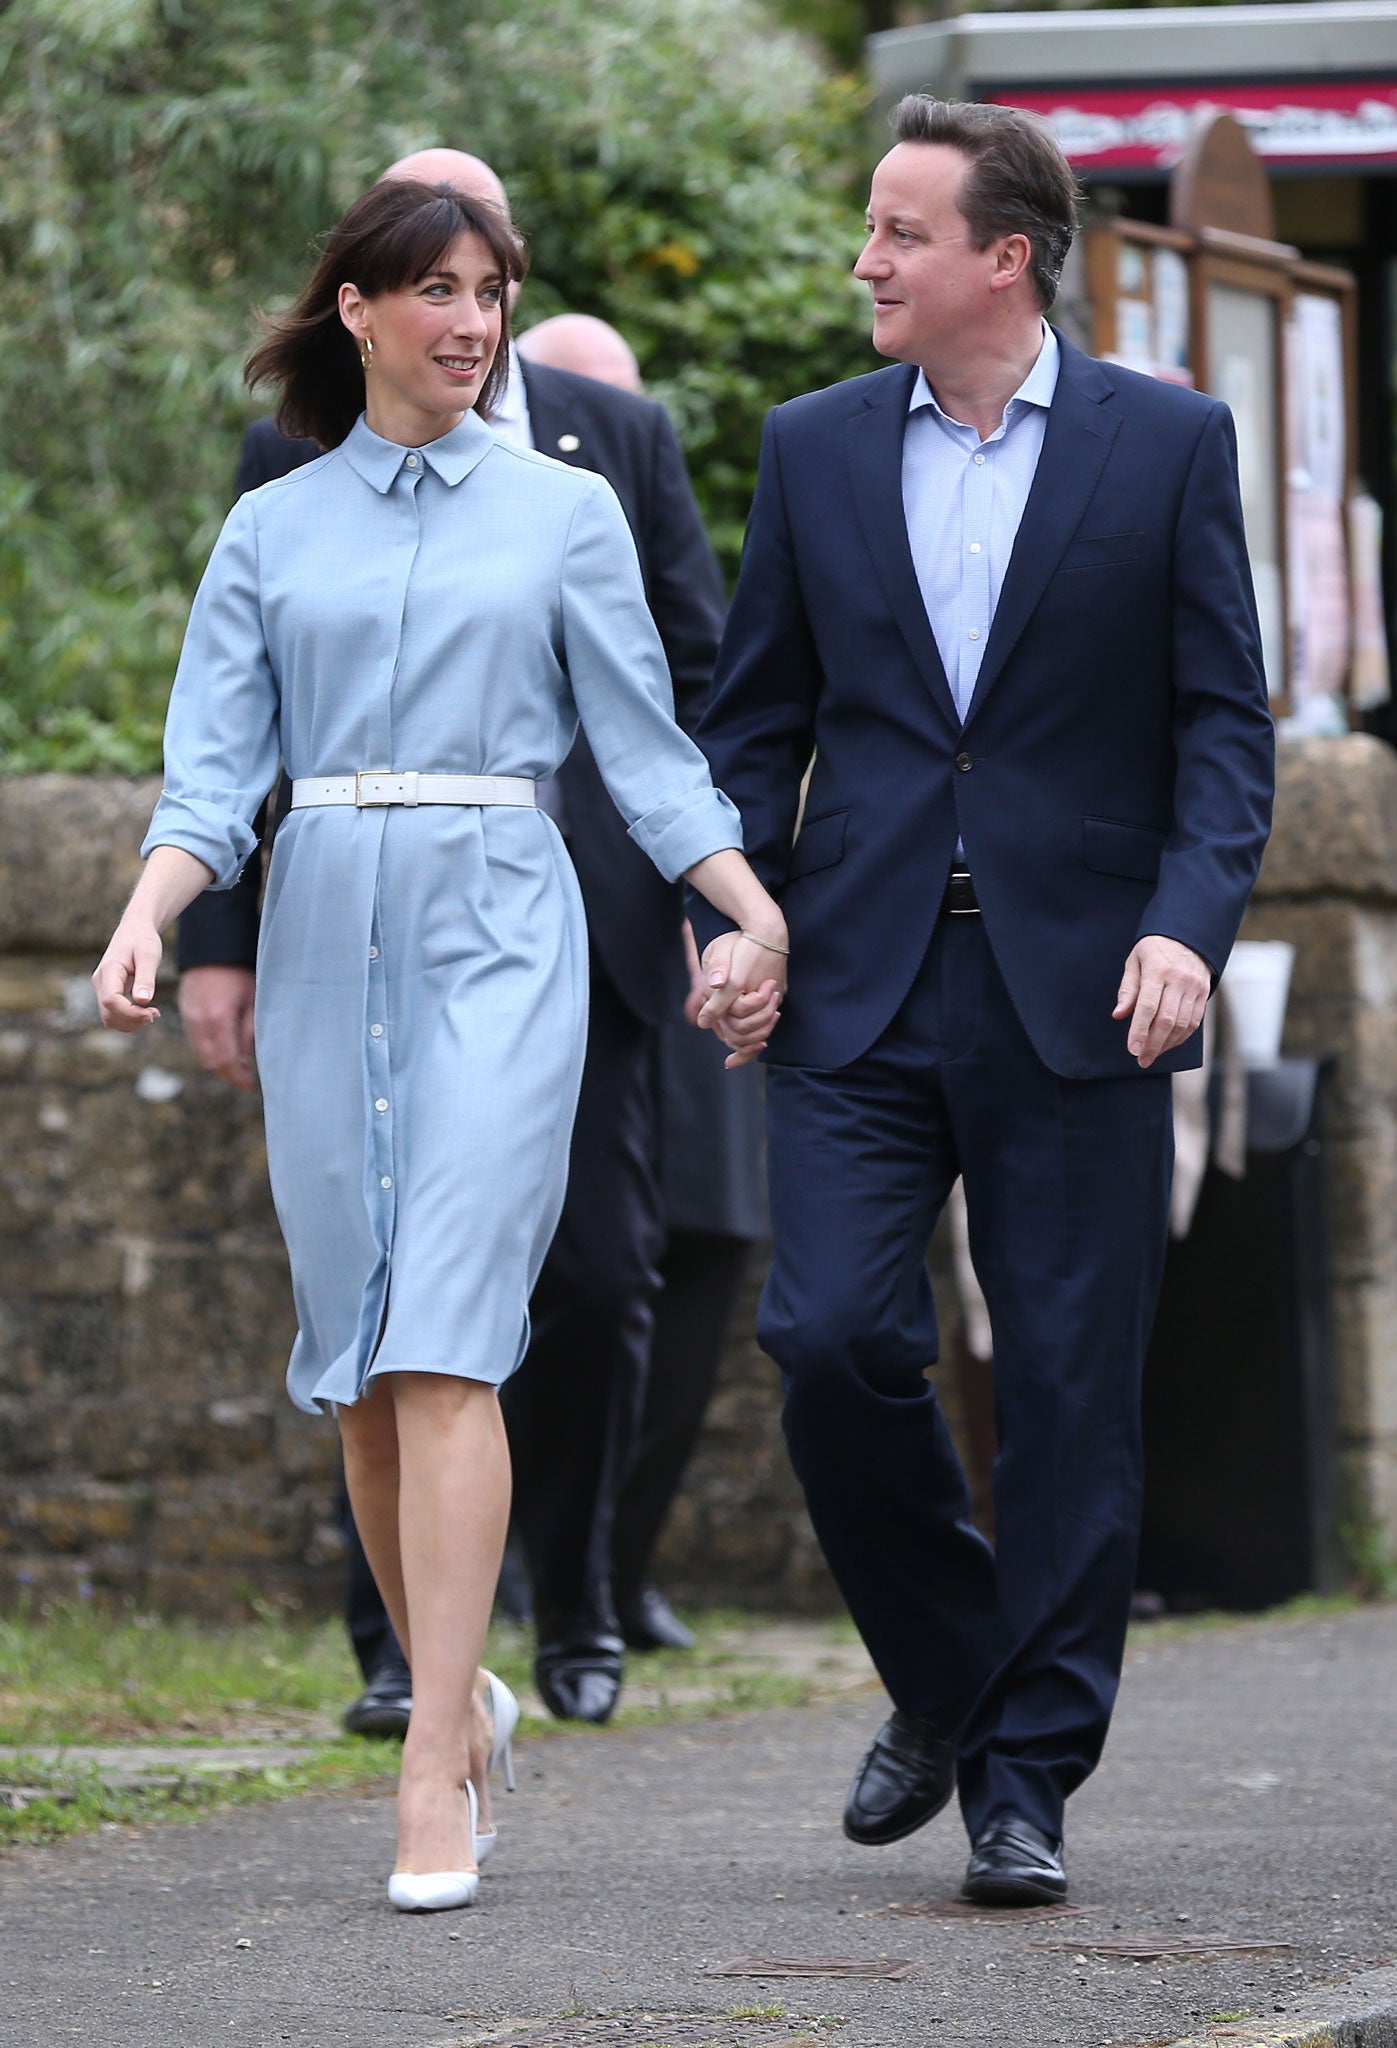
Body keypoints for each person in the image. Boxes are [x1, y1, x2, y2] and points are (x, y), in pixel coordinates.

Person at [94, 174, 786, 1914]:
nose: (470, 323)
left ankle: (428, 1765)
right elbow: (209, 773)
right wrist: (149, 911)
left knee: (456, 1333)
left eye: (489, 292)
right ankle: (463, 1681)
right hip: (325, 916)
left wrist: (737, 903)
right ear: (360, 312)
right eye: (436, 294)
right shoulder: (274, 526)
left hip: (501, 916)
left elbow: (641, 754)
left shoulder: (564, 513)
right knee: (358, 1353)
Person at [689, 96, 1274, 1907]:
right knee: (832, 1341)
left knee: (1074, 1395)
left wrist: (1187, 922)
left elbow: (1219, 726)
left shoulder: (1167, 444)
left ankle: (1026, 1785)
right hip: (857, 981)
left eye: (897, 231)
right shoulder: (811, 448)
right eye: (870, 230)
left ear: (1000, 259)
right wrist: (733, 913)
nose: (864, 260)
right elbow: (754, 725)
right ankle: (952, 1675)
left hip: (1087, 988)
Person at [515, 313, 769, 1656]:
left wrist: (719, 896)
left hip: (654, 923)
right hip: (508, 927)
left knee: (697, 1239)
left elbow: (701, 685)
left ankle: (612, 1556)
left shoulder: (629, 462)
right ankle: (533, 1559)